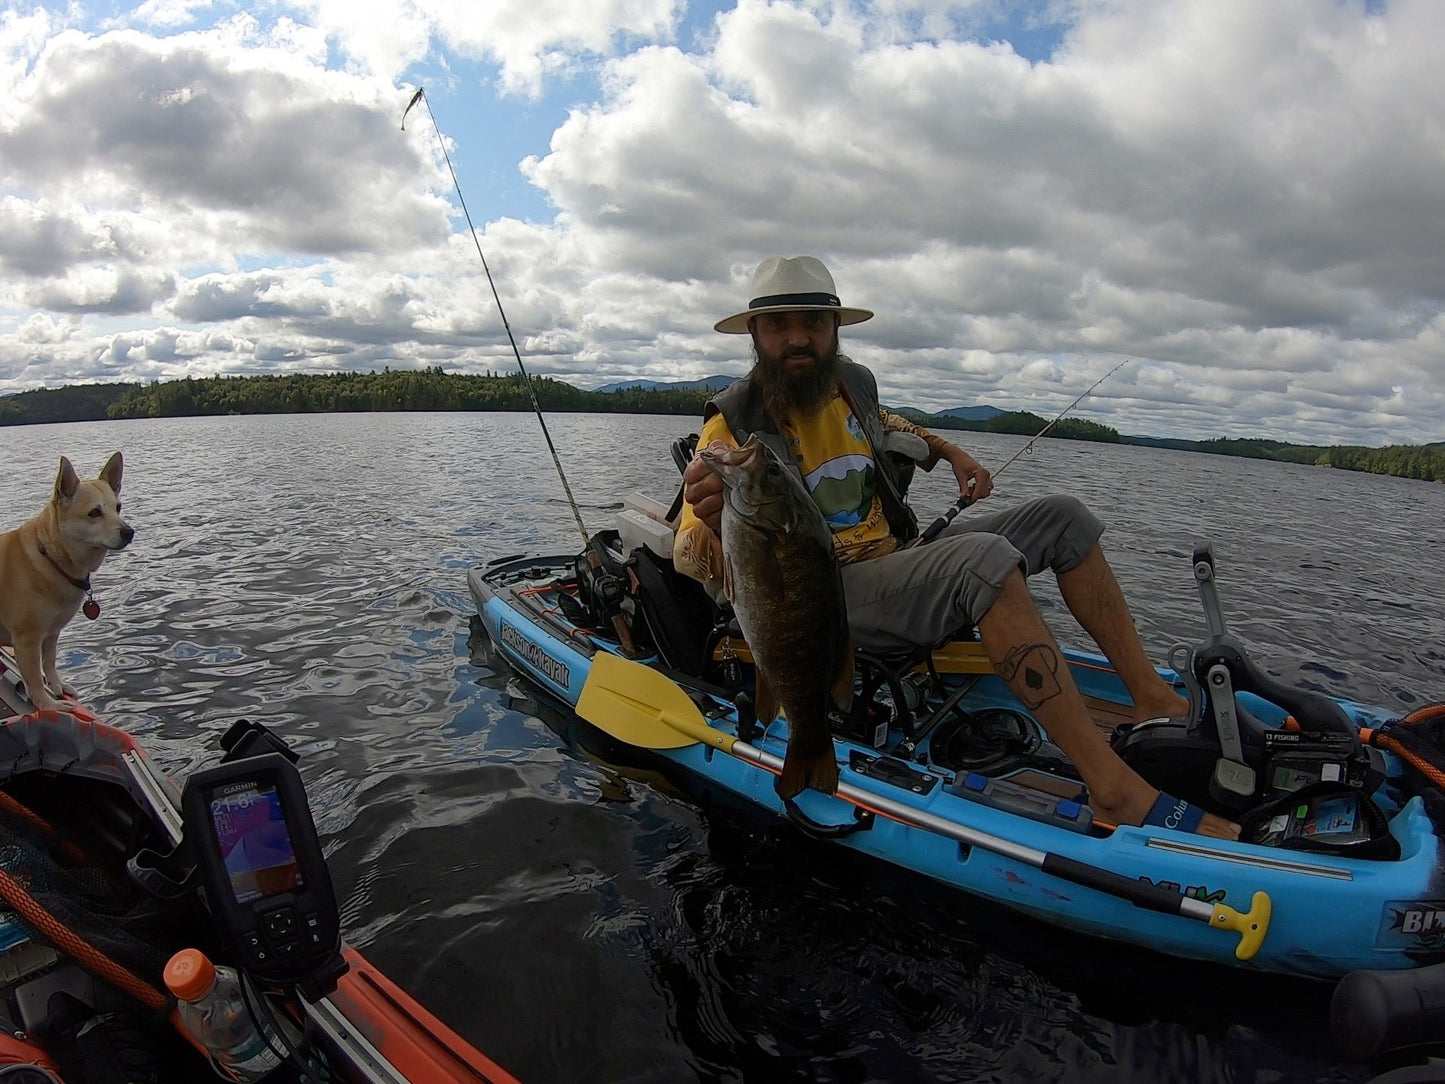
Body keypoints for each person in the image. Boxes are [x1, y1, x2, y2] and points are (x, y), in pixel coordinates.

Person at [675, 255, 1239, 839]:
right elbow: (691, 555)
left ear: (835, 329)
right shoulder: (731, 429)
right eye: (780, 325)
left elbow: (887, 421)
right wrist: (713, 519)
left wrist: (949, 451)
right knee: (986, 561)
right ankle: (1112, 786)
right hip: (831, 598)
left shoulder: (849, 384)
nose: (798, 337)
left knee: (1064, 519)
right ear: (755, 337)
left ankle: (1150, 698)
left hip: (894, 559)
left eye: (814, 322)